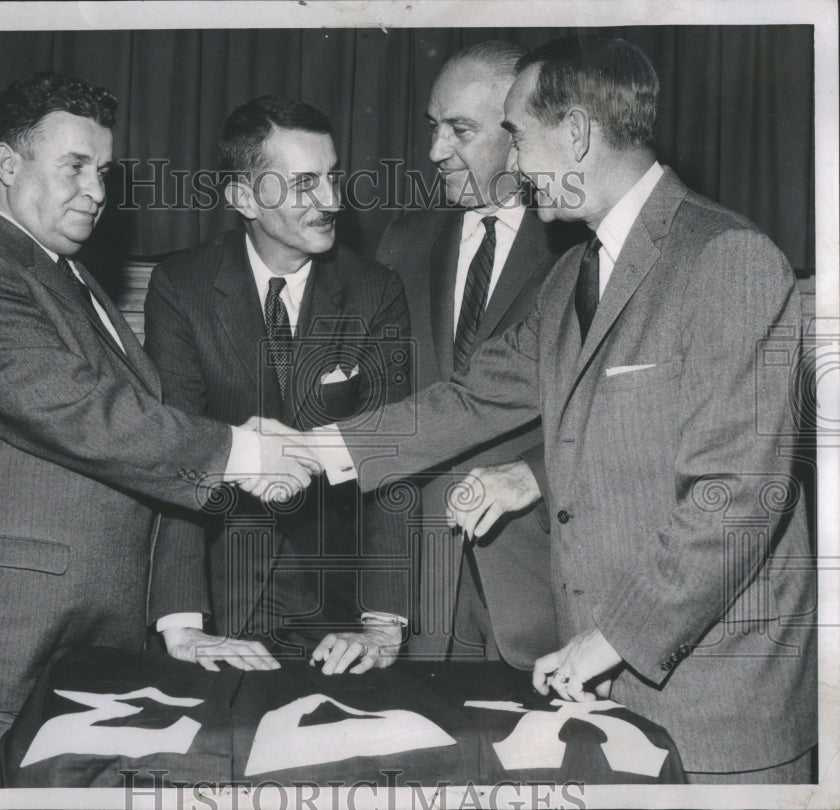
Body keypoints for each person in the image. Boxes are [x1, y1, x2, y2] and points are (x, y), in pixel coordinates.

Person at [283, 36, 816, 782]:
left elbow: (738, 496)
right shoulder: (572, 273)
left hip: (715, 699)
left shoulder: (725, 258)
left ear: (575, 133)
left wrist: (613, 640)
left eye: (521, 137)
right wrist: (307, 453)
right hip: (599, 683)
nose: (518, 164)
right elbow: (470, 399)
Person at [0, 72, 313, 788]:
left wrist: (178, 624)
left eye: (102, 171)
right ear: (7, 165)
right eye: (73, 166)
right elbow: (79, 414)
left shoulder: (69, 279)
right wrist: (243, 450)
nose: (97, 191)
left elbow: (135, 444)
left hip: (63, 651)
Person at [144, 96, 411, 677]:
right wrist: (184, 625)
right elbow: (176, 452)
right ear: (243, 197)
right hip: (220, 600)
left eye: (333, 177)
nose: (332, 201)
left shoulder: (376, 291)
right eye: (304, 184)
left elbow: (391, 459)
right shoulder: (181, 287)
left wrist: (382, 624)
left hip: (341, 614)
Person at [375, 41, 582, 668]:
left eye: (460, 129)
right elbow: (391, 424)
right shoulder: (401, 242)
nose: (436, 151)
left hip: (545, 597)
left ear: (520, 130)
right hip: (420, 603)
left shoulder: (581, 247)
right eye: (432, 128)